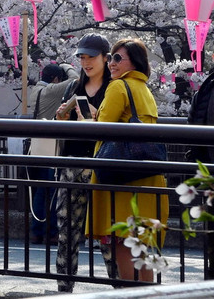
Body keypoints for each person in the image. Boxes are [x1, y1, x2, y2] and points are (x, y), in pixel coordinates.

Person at [87, 38, 168, 283]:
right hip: (147, 177)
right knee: (141, 249)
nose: (111, 63)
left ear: (135, 62)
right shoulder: (144, 89)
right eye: (110, 57)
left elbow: (103, 129)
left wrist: (93, 119)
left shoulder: (118, 87)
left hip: (121, 180)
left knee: (124, 243)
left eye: (118, 58)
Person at [53, 34, 111, 292]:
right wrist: (62, 117)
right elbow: (60, 129)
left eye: (91, 57)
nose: (86, 62)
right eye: (82, 57)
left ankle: (120, 286)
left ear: (106, 58)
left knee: (106, 231)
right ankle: (64, 286)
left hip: (100, 165)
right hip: (71, 162)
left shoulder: (114, 87)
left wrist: (98, 120)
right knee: (66, 228)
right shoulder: (73, 87)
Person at [28, 62, 76, 244]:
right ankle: (50, 232)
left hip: (38, 147)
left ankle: (36, 231)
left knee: (40, 190)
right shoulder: (52, 90)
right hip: (51, 148)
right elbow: (75, 80)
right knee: (52, 192)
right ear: (55, 79)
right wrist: (66, 65)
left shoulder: (36, 90)